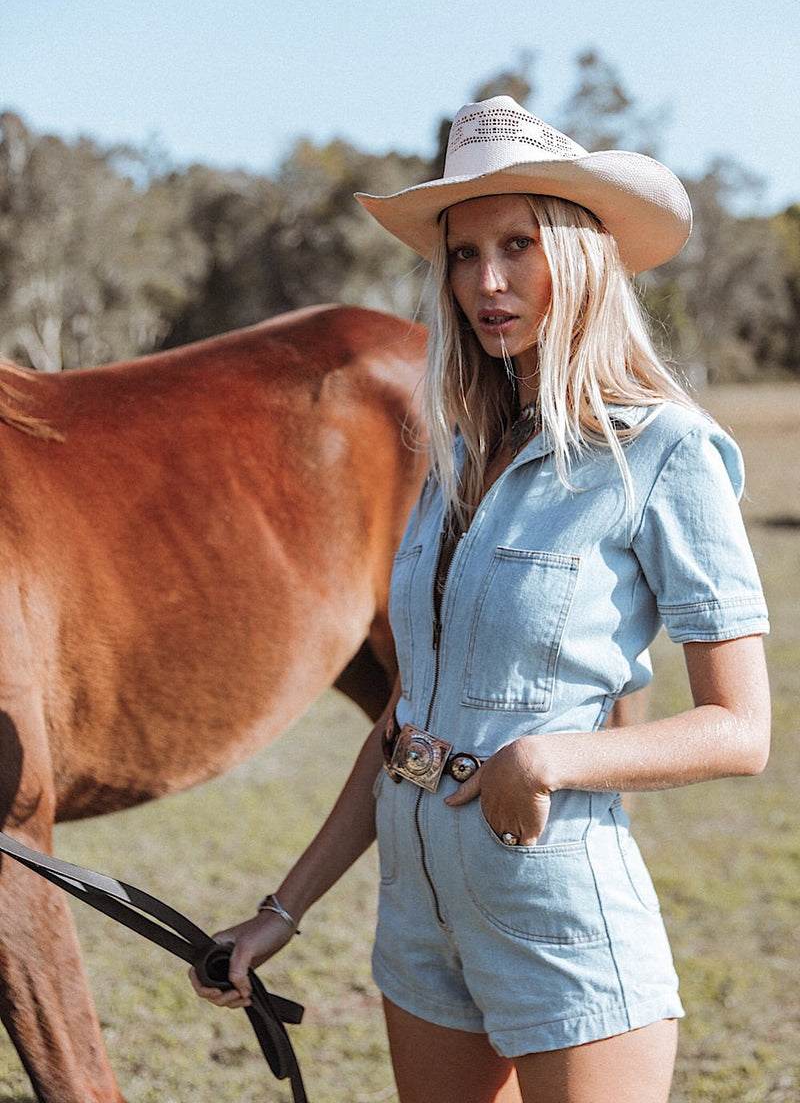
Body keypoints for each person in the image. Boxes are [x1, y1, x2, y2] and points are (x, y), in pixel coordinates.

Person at [190, 96, 771, 1103]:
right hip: (415, 915)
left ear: (580, 258)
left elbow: (739, 728)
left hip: (555, 907)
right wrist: (281, 911)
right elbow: (403, 724)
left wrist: (550, 756)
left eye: (515, 246)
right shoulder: (456, 457)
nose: (485, 282)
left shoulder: (662, 453)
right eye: (462, 254)